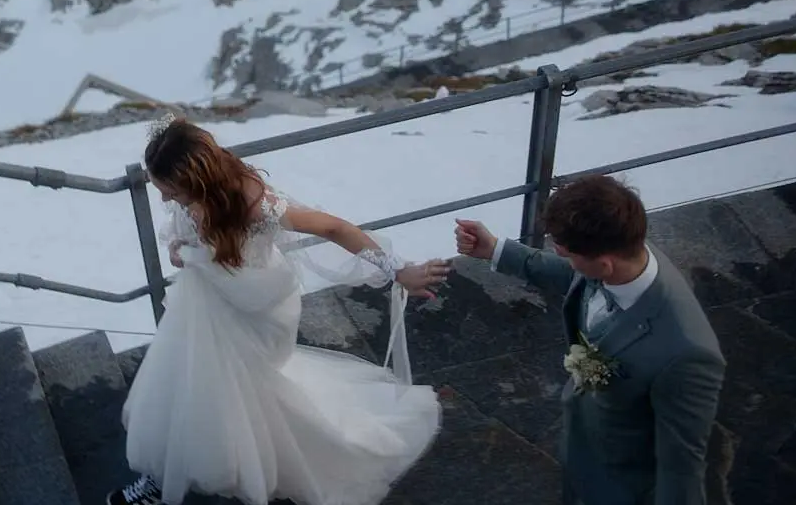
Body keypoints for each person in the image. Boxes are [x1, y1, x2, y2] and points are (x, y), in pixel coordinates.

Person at [111, 117, 449, 505]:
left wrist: (398, 270)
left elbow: (333, 228)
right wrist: (181, 248)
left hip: (253, 310)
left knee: (221, 391)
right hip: (205, 302)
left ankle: (188, 473)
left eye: (171, 192)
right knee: (189, 384)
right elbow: (191, 235)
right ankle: (170, 472)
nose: (166, 200)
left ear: (197, 181)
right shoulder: (198, 193)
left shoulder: (255, 205)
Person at [454, 175, 725, 505]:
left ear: (605, 265)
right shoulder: (624, 248)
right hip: (585, 450)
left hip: (624, 487)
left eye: (570, 256)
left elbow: (681, 467)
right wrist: (496, 249)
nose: (569, 263)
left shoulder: (688, 354)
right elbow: (573, 274)